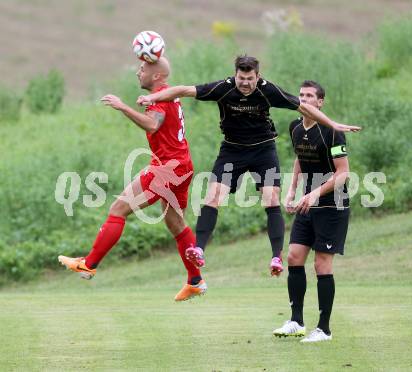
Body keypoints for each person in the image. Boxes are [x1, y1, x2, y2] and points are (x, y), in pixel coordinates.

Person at [137, 56, 359, 276]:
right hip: (232, 150)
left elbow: (303, 108)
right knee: (213, 196)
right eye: (241, 78)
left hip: (263, 150)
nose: (245, 83)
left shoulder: (267, 89)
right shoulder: (223, 88)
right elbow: (183, 90)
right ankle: (199, 249)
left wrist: (331, 124)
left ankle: (276, 257)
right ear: (235, 75)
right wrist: (153, 98)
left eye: (249, 78)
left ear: (257, 77)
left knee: (271, 198)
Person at [58, 57, 207, 302]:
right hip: (182, 165)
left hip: (166, 168)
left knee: (118, 209)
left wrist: (122, 106)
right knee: (176, 224)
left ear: (157, 76)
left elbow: (152, 125)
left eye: (143, 68)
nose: (138, 72)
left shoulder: (160, 96)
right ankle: (195, 281)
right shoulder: (165, 95)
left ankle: (89, 264)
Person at [272, 80, 350, 342]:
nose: (303, 99)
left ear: (320, 102)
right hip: (308, 201)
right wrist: (291, 191)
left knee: (321, 263)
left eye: (309, 96)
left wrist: (316, 192)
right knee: (294, 256)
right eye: (301, 95)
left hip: (332, 204)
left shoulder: (331, 132)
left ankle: (324, 329)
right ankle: (296, 321)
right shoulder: (295, 127)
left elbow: (343, 173)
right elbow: (299, 159)